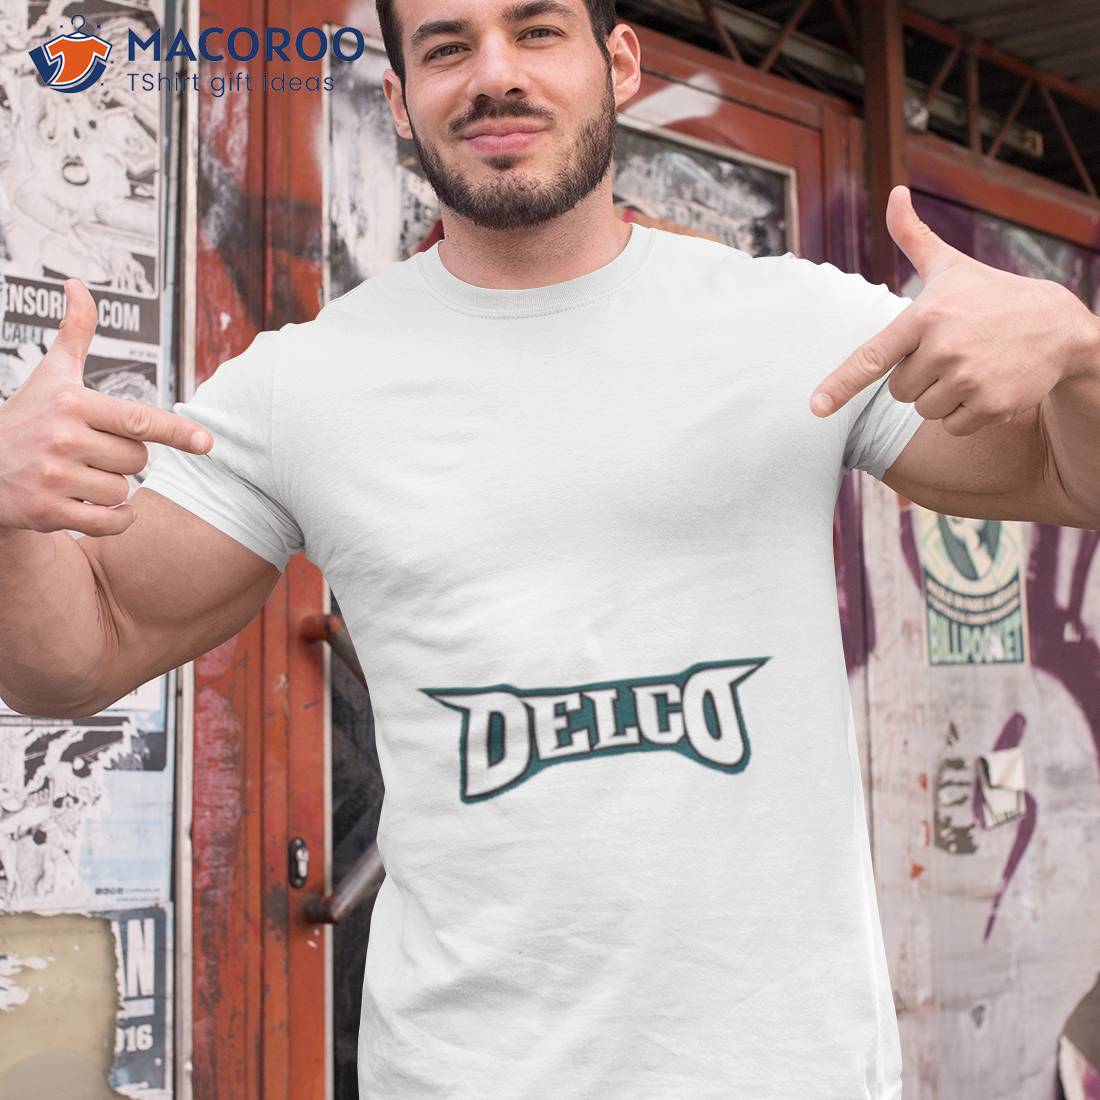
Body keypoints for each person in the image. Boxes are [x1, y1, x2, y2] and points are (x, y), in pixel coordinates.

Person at [1, 0, 1098, 1095]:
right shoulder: (304, 388)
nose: (494, 74)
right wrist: (6, 514)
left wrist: (1077, 353)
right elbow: (74, 657)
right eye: (446, 47)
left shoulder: (792, 325)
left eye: (535, 32)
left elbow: (1070, 478)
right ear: (399, 102)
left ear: (617, 62)